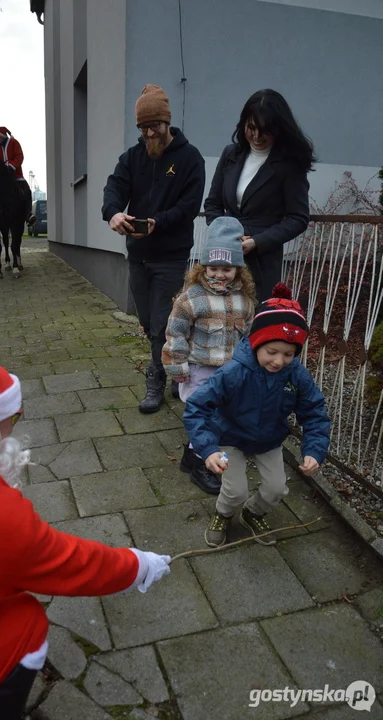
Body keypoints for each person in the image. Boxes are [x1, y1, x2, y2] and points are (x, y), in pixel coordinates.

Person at [0, 354, 171, 720]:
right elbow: (72, 563)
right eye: (13, 418)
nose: (13, 428)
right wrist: (140, 565)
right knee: (25, 623)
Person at [183, 283, 330, 548]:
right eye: (271, 352)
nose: (279, 361)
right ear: (256, 342)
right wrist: (208, 450)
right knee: (235, 489)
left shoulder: (296, 375)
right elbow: (196, 408)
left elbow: (315, 413)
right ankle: (224, 513)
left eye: (288, 354)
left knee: (276, 488)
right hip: (229, 438)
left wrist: (314, 451)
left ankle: (254, 512)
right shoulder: (233, 373)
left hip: (268, 439)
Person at [102, 84, 205, 414]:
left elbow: (189, 205)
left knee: (161, 323)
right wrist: (113, 213)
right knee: (148, 322)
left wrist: (159, 222)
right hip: (139, 256)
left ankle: (156, 379)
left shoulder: (190, 159)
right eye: (143, 128)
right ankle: (178, 366)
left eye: (154, 126)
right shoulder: (133, 158)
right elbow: (114, 187)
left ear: (167, 122)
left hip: (170, 255)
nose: (149, 133)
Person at [162, 216, 256, 494]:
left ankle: (190, 458)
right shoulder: (191, 298)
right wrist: (178, 370)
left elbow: (248, 337)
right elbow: (176, 333)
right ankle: (204, 464)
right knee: (205, 417)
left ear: (238, 269)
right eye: (213, 268)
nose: (219, 274)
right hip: (199, 370)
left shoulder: (245, 301)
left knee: (219, 416)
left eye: (227, 269)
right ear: (203, 267)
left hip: (229, 372)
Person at [204, 89, 315, 302]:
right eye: (251, 127)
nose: (256, 136)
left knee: (256, 327)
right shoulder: (231, 154)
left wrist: (257, 241)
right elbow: (212, 204)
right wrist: (225, 235)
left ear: (279, 129)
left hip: (262, 263)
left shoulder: (290, 164)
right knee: (218, 323)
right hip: (223, 260)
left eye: (265, 130)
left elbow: (298, 218)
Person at [0, 126, 36, 226]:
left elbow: (19, 156)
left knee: (27, 190)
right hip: (1, 178)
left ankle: (28, 214)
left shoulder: (14, 143)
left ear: (3, 136)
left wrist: (12, 166)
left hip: (16, 175)